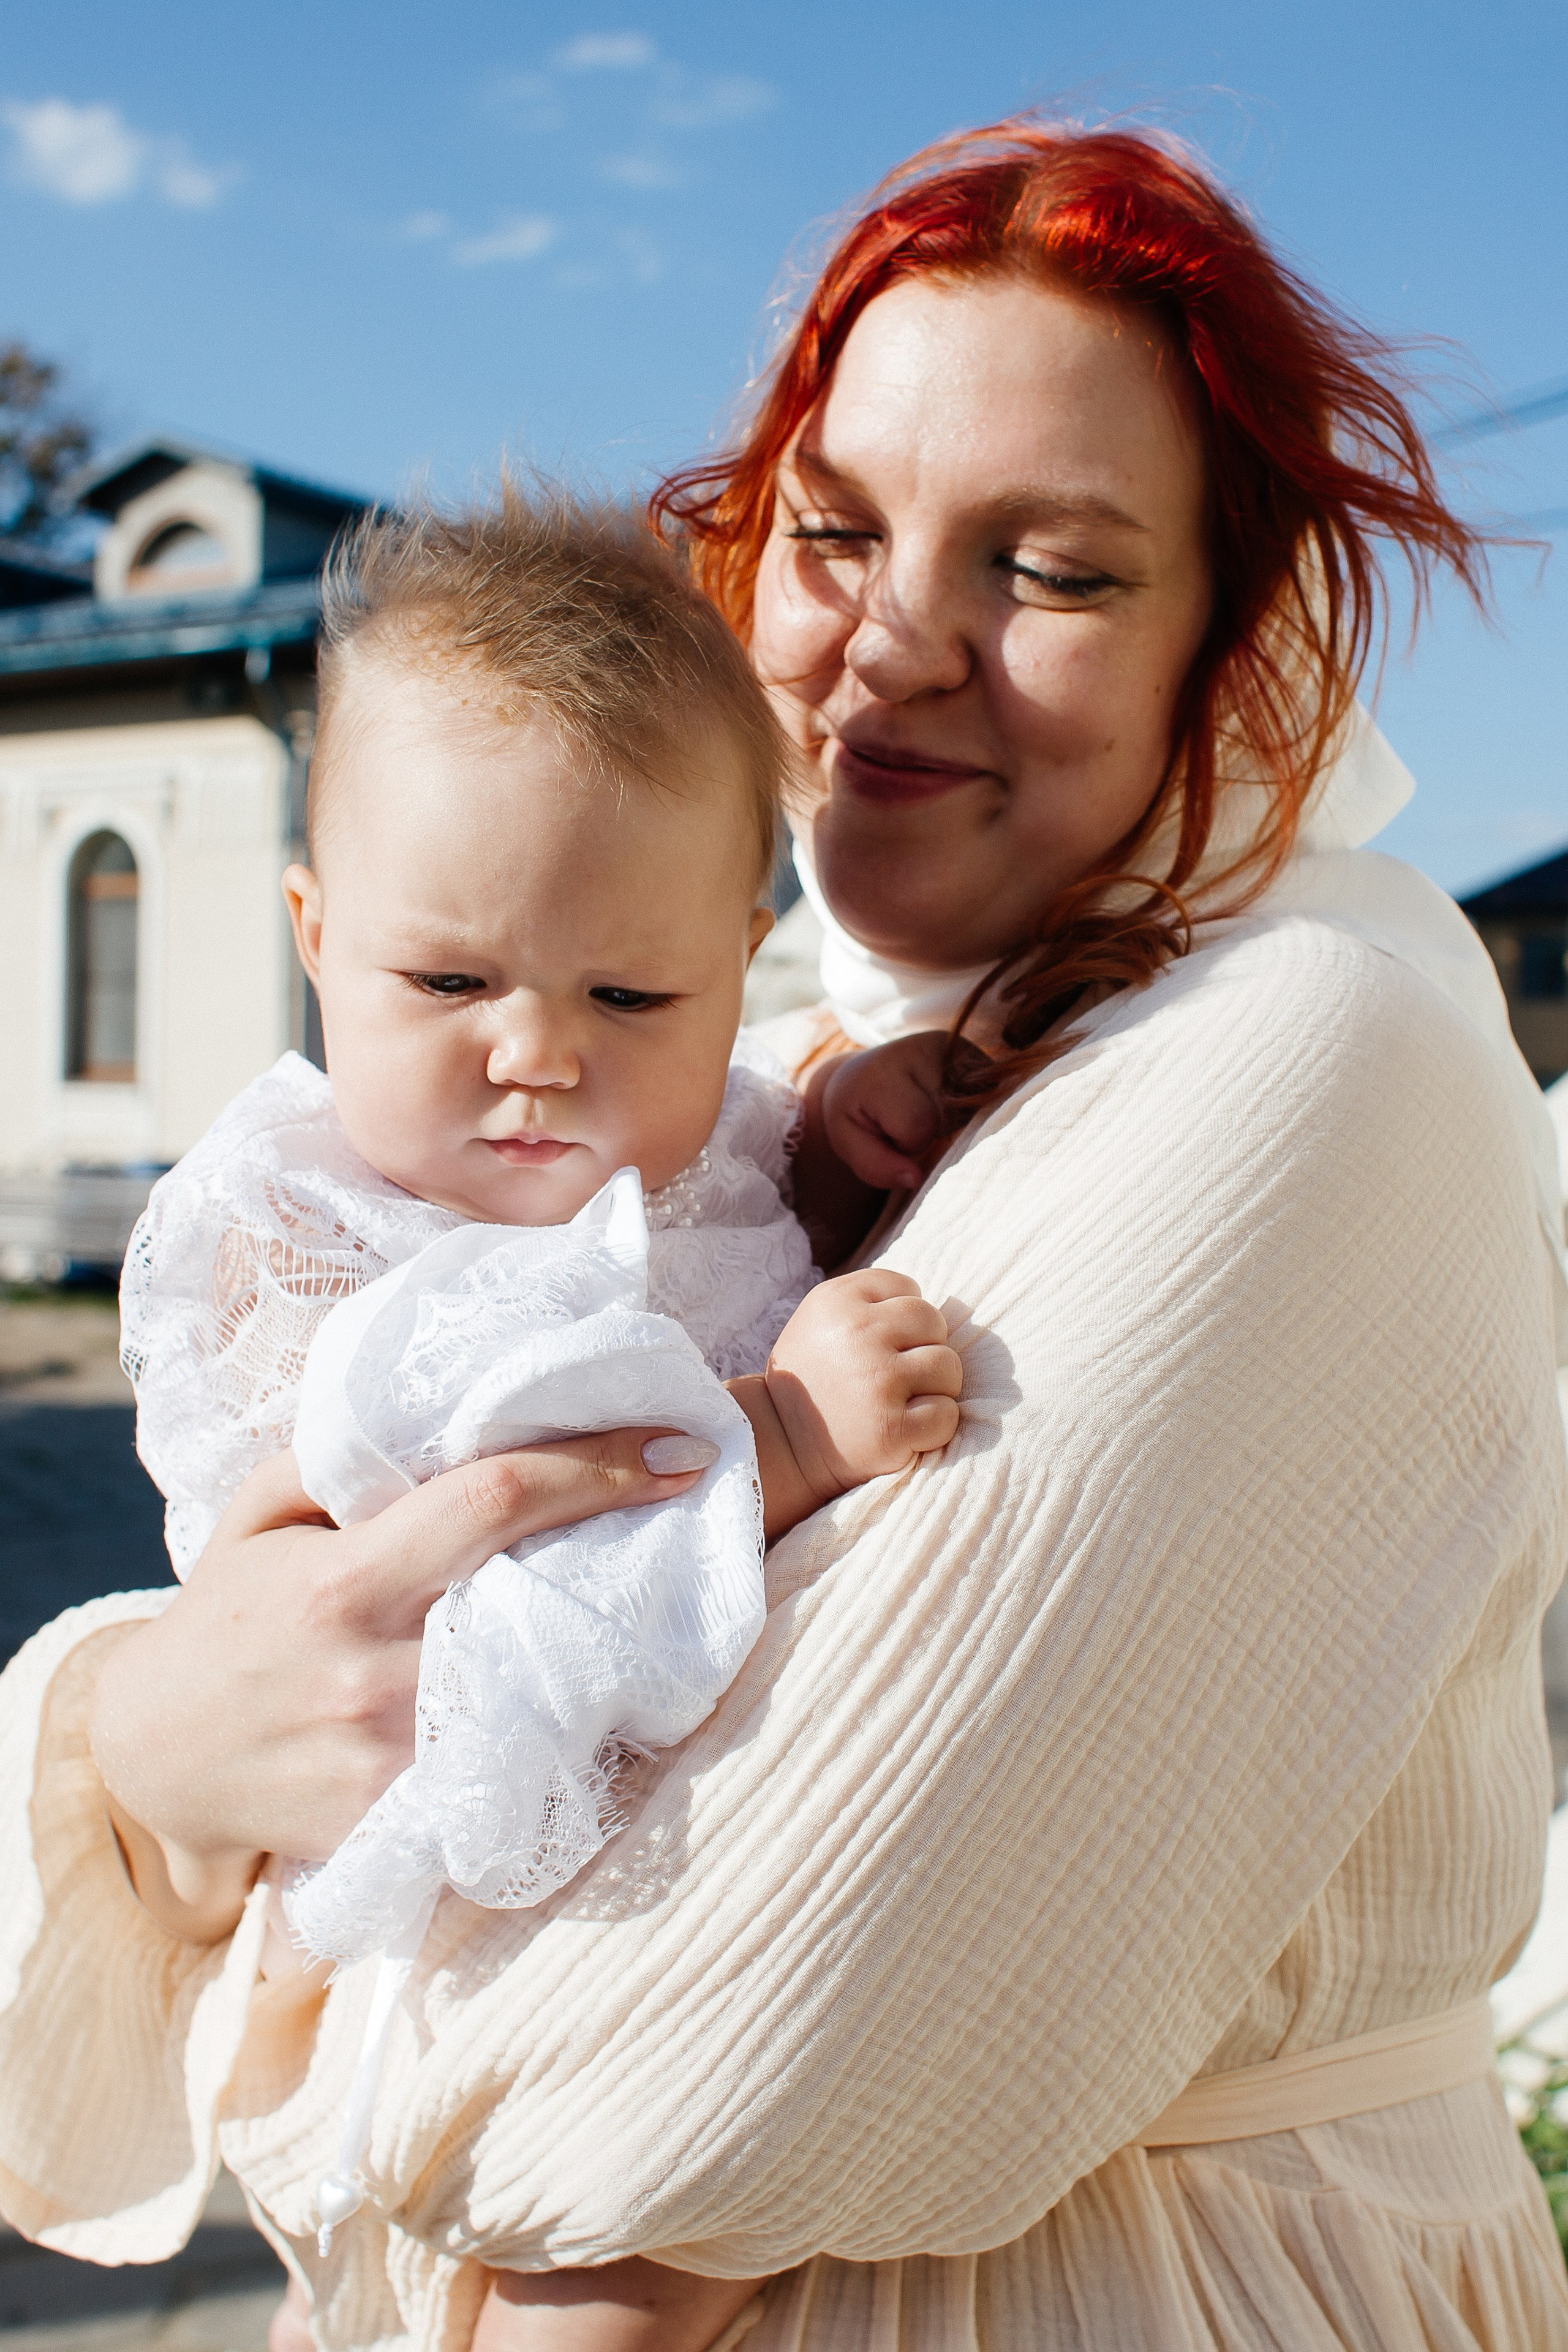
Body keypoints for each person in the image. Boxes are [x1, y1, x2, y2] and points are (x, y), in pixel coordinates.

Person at [2, 118, 1566, 2352]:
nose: (894, 645)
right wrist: (158, 1727)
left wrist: (182, 1800)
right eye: (834, 530)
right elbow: (263, 1658)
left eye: (1053, 570)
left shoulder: (1309, 1041)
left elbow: (698, 2046)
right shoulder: (794, 1064)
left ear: (1239, 641)